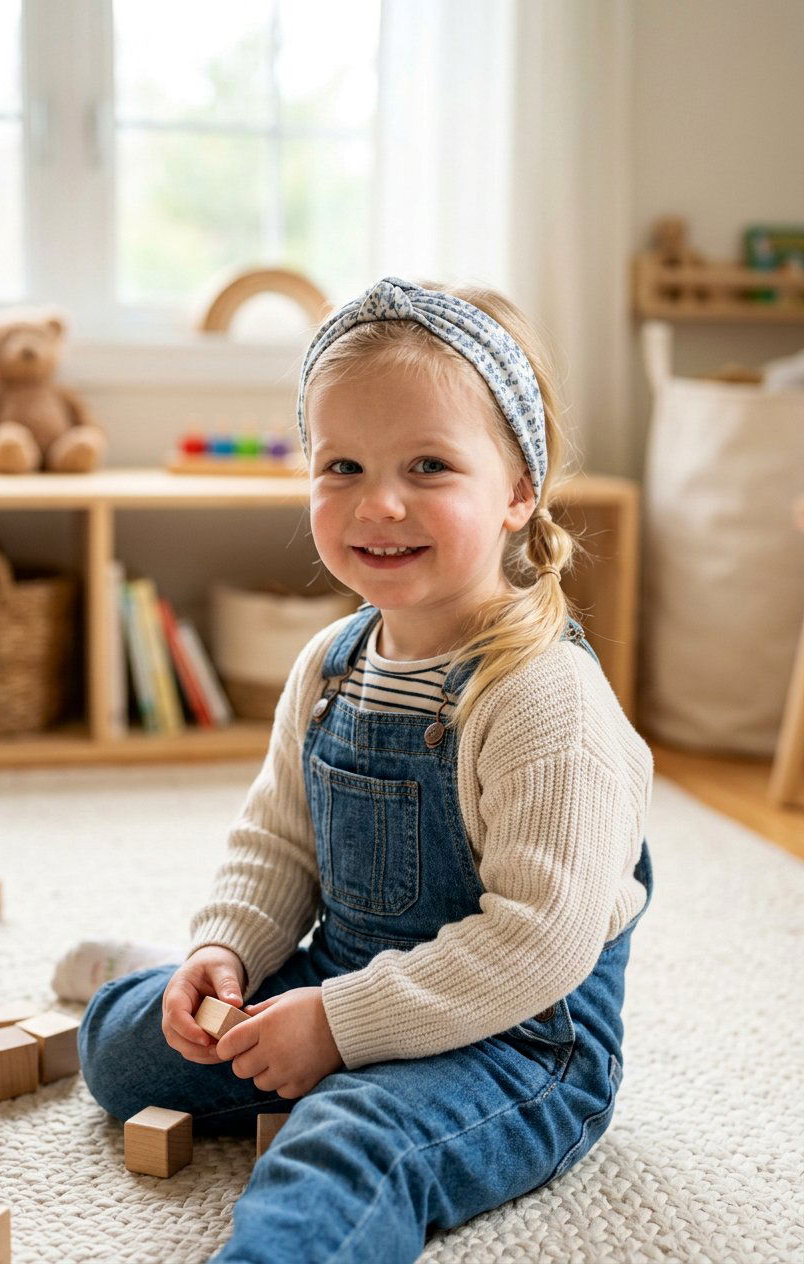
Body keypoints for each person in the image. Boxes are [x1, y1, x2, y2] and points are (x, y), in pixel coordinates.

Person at [77, 275, 654, 1263]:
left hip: (517, 1041)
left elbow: (539, 941)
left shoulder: (544, 697)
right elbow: (277, 841)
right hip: (344, 978)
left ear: (519, 490)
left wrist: (340, 1027)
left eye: (428, 465)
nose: (379, 503)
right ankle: (175, 980)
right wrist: (228, 949)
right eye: (341, 465)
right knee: (125, 1045)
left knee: (349, 1137)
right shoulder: (330, 663)